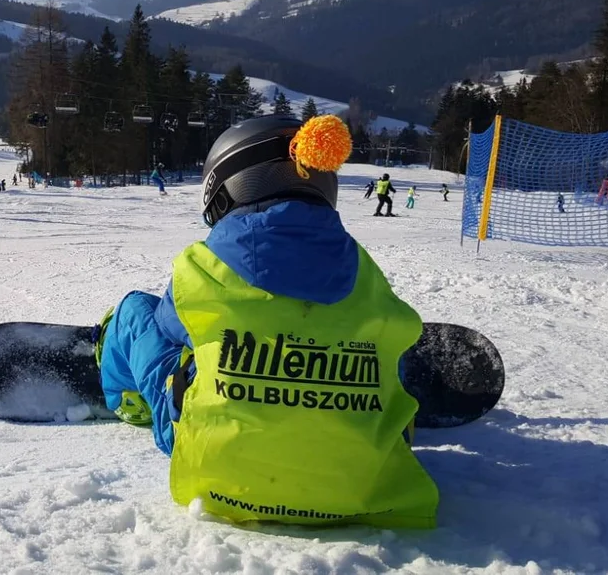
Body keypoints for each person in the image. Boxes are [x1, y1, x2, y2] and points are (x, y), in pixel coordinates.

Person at [91, 115, 437, 528]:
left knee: (134, 311)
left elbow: (169, 330)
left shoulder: (203, 266)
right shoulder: (365, 271)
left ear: (222, 191)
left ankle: (126, 397)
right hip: (359, 481)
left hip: (220, 472)